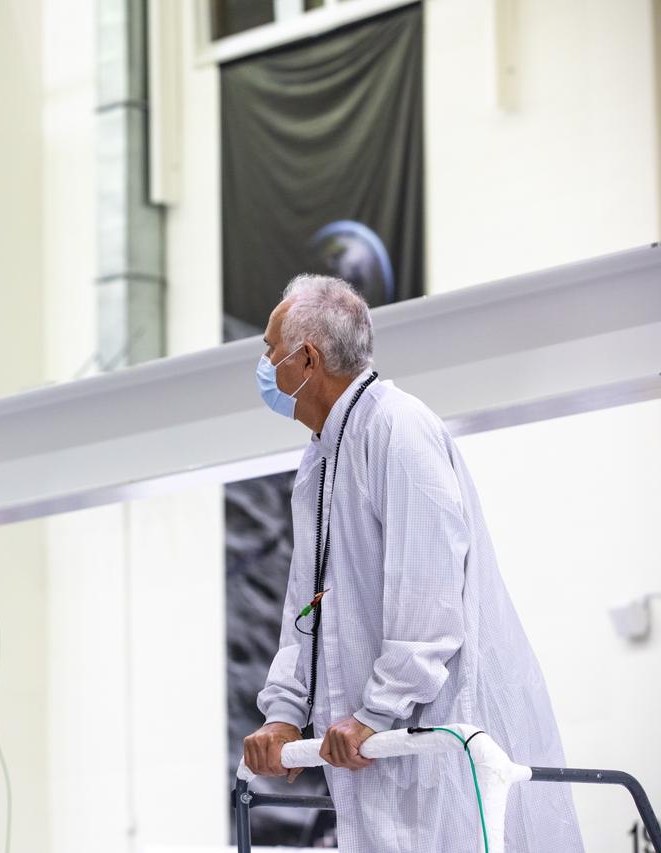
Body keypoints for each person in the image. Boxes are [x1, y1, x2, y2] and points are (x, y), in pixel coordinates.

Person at [242, 275, 583, 851]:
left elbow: (430, 595)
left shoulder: (397, 429)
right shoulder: (320, 461)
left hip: (431, 736)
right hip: (373, 749)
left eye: (270, 349)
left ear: (307, 359)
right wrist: (283, 712)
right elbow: (307, 606)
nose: (264, 362)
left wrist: (377, 711)